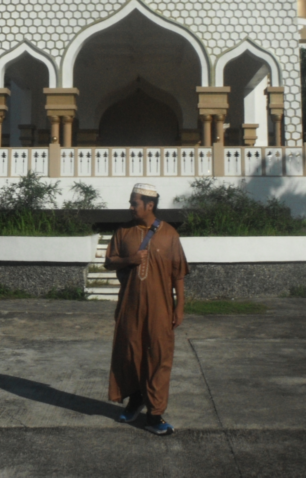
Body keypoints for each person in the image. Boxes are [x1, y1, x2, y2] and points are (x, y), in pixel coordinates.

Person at [105, 182, 189, 436]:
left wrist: (179, 308)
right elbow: (109, 262)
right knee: (130, 354)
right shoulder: (123, 232)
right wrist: (130, 259)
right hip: (130, 306)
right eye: (131, 202)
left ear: (149, 205)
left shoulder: (169, 234)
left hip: (160, 308)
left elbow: (179, 275)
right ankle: (135, 399)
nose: (130, 207)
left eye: (134, 203)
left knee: (159, 357)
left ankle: (155, 414)